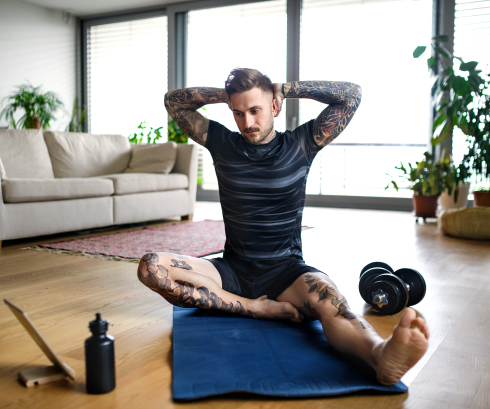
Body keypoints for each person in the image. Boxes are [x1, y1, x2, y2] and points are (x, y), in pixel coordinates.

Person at [137, 68, 429, 385]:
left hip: (286, 272)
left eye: (255, 110)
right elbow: (173, 102)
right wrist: (226, 95)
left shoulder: (302, 143)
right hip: (231, 270)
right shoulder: (222, 143)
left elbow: (352, 94)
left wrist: (286, 88)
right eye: (238, 112)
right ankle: (254, 308)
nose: (247, 122)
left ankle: (380, 355)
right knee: (151, 267)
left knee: (332, 301)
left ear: (274, 107)